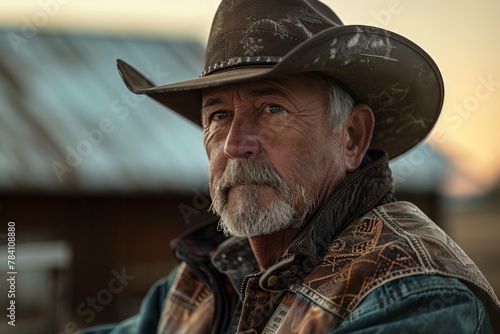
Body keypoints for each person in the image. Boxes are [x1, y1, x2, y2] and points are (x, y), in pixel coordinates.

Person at [82, 0, 500, 333]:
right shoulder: (202, 279)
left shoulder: (416, 294)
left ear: (352, 136)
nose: (234, 145)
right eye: (218, 116)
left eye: (272, 108)